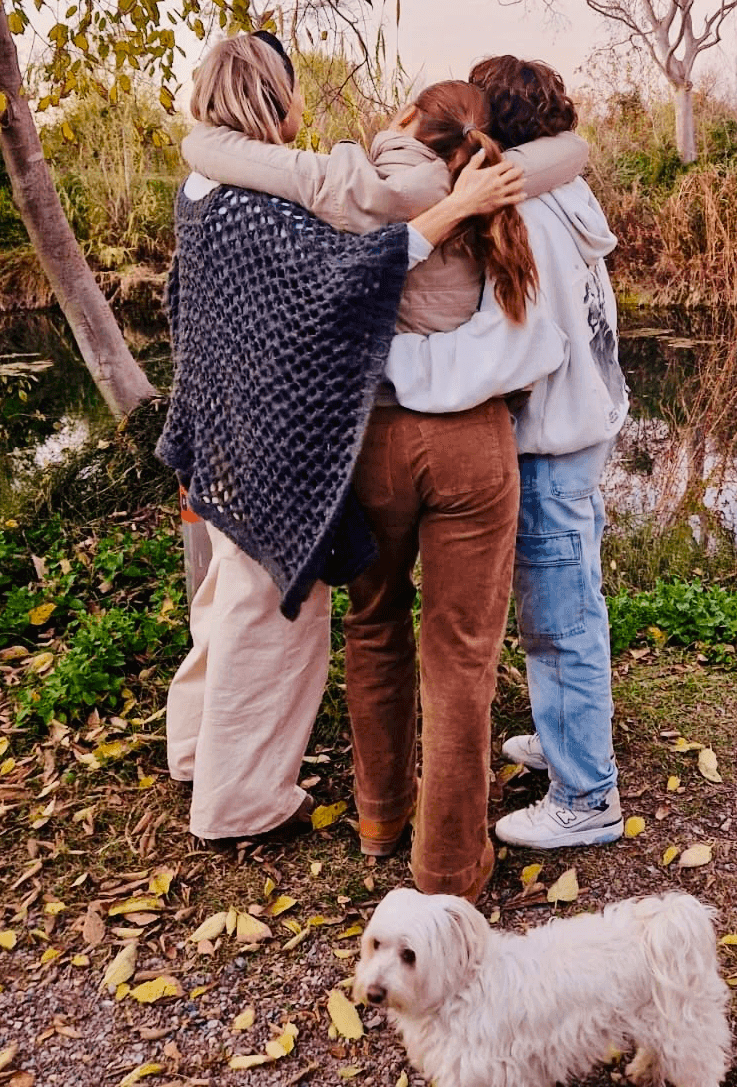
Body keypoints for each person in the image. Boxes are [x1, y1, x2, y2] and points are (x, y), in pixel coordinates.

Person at [180, 75, 586, 895]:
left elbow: (317, 250)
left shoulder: (353, 188)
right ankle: (448, 866)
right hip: (473, 444)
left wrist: (205, 143)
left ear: (406, 120)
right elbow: (567, 164)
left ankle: (379, 818)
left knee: (374, 627)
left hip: (369, 441)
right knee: (462, 658)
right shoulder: (503, 185)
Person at [385, 55, 629, 848]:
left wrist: (388, 366)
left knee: (561, 624)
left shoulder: (531, 218)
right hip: (585, 427)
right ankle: (566, 736)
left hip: (551, 443)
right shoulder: (568, 191)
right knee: (568, 606)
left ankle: (586, 797)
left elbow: (510, 348)